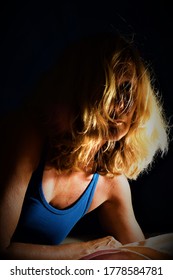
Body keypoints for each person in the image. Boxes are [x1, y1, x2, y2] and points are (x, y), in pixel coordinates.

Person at [0, 32, 169, 260]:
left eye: (128, 91)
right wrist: (84, 250)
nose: (120, 107)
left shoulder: (110, 182)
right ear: (80, 90)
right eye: (109, 91)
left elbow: (144, 261)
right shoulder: (28, 136)